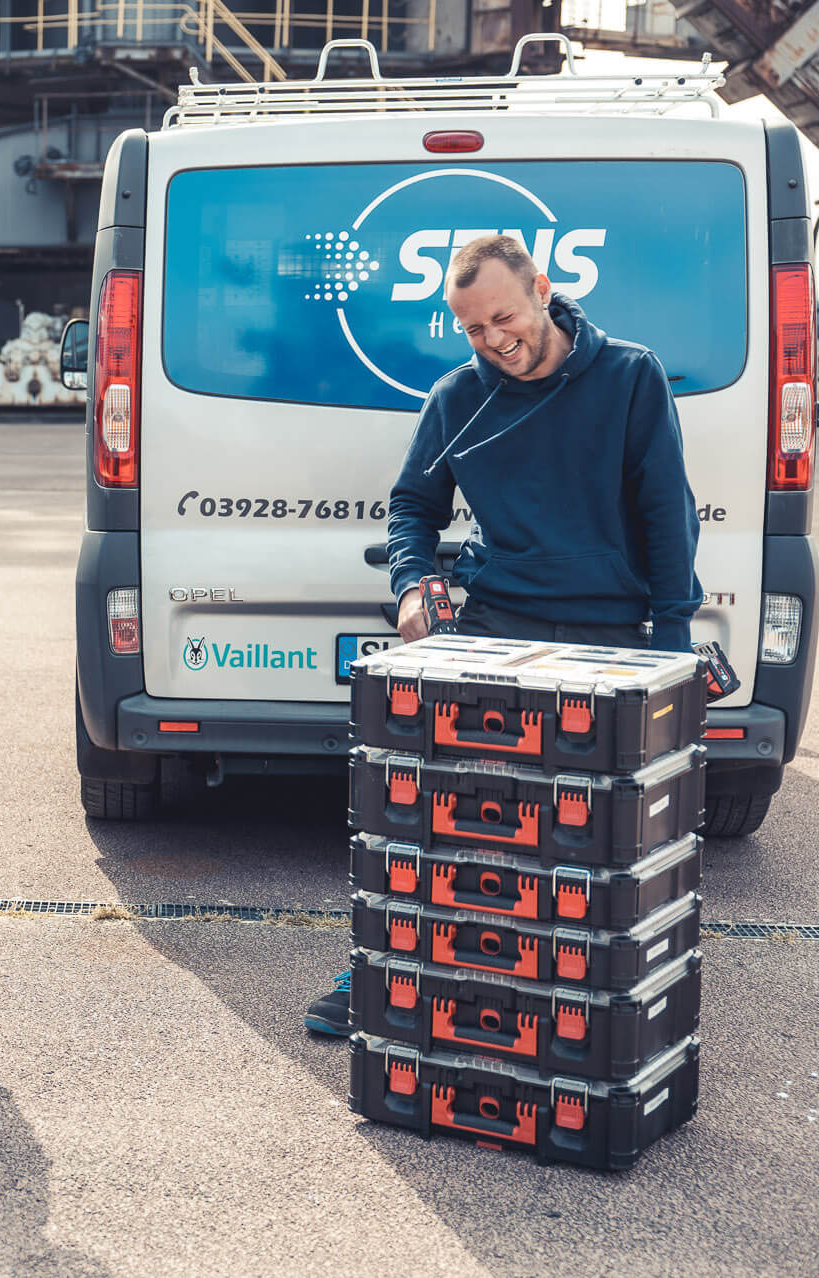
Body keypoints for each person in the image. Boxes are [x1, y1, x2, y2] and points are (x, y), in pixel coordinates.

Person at [305, 232, 702, 1038]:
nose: (493, 339)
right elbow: (412, 506)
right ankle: (386, 967)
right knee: (438, 817)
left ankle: (591, 998)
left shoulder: (631, 375)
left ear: (542, 290)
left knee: (594, 840)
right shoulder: (458, 396)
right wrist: (413, 583)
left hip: (609, 634)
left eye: (504, 318)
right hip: (495, 625)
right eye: (473, 328)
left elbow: (668, 510)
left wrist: (672, 639)